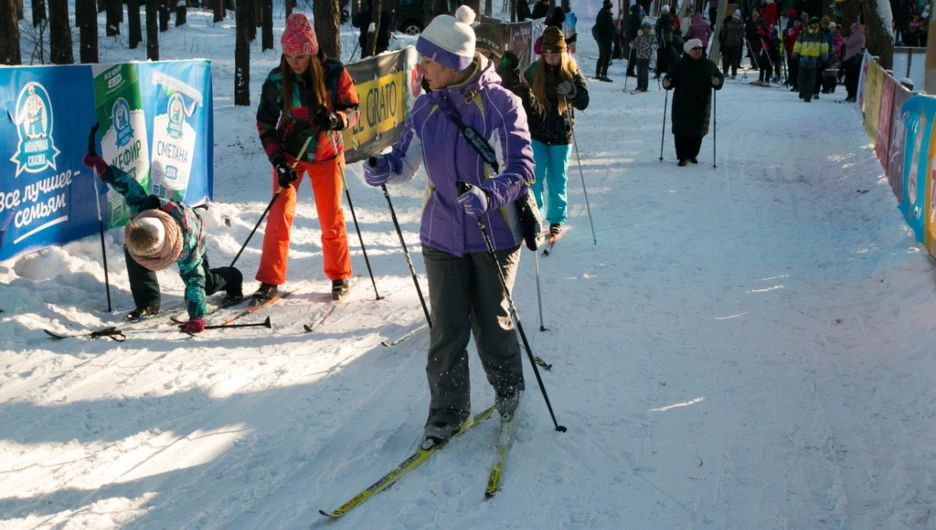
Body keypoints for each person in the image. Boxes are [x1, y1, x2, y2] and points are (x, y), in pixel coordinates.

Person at [362, 7, 535, 446]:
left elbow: (521, 170)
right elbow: (406, 161)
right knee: (447, 328)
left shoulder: (501, 106)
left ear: (455, 63)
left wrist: (488, 194)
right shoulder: (425, 107)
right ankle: (446, 412)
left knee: (492, 324)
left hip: (493, 232)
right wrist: (386, 168)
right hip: (440, 232)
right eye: (420, 60)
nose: (421, 69)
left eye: (429, 61)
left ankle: (508, 392)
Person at [253, 13, 360, 303]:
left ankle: (339, 276)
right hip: (291, 154)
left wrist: (336, 120)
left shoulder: (334, 72)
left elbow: (353, 108)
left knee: (331, 216)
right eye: (288, 55)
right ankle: (269, 281)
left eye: (300, 55)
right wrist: (278, 161)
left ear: (311, 51)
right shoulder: (277, 78)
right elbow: (264, 123)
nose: (294, 62)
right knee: (279, 215)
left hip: (326, 153)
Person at [80, 153, 243, 333]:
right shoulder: (143, 208)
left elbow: (194, 279)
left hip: (192, 228)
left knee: (205, 284)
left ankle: (233, 277)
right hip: (161, 228)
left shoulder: (186, 242)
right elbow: (128, 186)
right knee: (132, 250)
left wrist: (196, 316)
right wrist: (105, 170)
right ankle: (148, 303)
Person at [524, 27, 589, 234]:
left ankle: (556, 219)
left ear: (563, 52)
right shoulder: (534, 70)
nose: (551, 58)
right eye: (547, 54)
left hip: (562, 134)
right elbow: (520, 94)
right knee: (534, 179)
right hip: (537, 133)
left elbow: (584, 101)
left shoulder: (571, 71)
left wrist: (572, 91)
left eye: (554, 54)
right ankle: (535, 217)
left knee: (557, 180)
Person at [662, 38, 724, 166]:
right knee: (681, 130)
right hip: (682, 102)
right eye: (694, 49)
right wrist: (667, 82)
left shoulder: (709, 65)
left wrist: (717, 82)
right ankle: (682, 156)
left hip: (701, 103)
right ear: (687, 50)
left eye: (700, 48)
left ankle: (692, 154)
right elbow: (670, 78)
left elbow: (718, 77)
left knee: (698, 131)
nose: (698, 51)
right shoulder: (680, 64)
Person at [791, 16, 828, 103]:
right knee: (801, 78)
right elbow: (798, 44)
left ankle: (808, 95)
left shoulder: (821, 35)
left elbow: (824, 46)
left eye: (817, 24)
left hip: (815, 60)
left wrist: (824, 54)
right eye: (814, 23)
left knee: (811, 79)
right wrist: (795, 52)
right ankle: (802, 91)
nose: (816, 25)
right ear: (811, 24)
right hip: (803, 58)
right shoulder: (803, 33)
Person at [842, 22, 865, 102]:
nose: (851, 30)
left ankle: (852, 94)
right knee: (853, 78)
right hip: (856, 59)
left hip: (852, 58)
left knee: (850, 78)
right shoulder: (861, 34)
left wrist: (844, 39)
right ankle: (852, 94)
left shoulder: (857, 35)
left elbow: (848, 42)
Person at [594, 0, 616, 81]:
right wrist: (615, 29)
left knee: (602, 56)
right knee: (606, 56)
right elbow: (609, 27)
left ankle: (598, 73)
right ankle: (603, 74)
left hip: (601, 38)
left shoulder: (601, 13)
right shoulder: (606, 15)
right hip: (606, 38)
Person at [720, 10, 745, 78]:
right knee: (726, 58)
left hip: (736, 44)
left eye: (736, 17)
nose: (735, 18)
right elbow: (725, 32)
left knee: (734, 59)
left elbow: (742, 34)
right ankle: (725, 71)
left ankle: (734, 73)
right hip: (728, 43)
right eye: (734, 17)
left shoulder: (740, 24)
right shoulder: (729, 23)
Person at [632, 19, 657, 91]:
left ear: (649, 29)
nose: (646, 29)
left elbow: (656, 44)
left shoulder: (652, 37)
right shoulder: (639, 36)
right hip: (639, 56)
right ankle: (639, 85)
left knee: (644, 72)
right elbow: (635, 43)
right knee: (639, 72)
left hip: (646, 56)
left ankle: (644, 86)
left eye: (647, 28)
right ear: (642, 29)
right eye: (645, 28)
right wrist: (632, 44)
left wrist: (654, 46)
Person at [655, 5, 676, 77]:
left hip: (668, 39)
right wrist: (659, 28)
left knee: (668, 55)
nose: (665, 12)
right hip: (660, 39)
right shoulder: (659, 19)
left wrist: (668, 26)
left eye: (666, 11)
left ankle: (668, 70)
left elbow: (673, 28)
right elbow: (656, 28)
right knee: (660, 56)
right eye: (664, 11)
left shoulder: (671, 19)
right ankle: (659, 71)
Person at [785, 16, 804, 89]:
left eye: (797, 22)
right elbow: (787, 39)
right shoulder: (790, 30)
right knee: (792, 69)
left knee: (798, 70)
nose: (796, 23)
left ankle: (799, 85)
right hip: (791, 52)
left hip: (800, 53)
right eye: (795, 22)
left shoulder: (803, 31)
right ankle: (794, 84)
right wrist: (784, 41)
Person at [626, 3, 644, 77]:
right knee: (633, 56)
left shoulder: (630, 17)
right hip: (634, 38)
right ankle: (630, 71)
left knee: (631, 55)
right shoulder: (636, 18)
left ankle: (629, 70)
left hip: (630, 38)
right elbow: (638, 29)